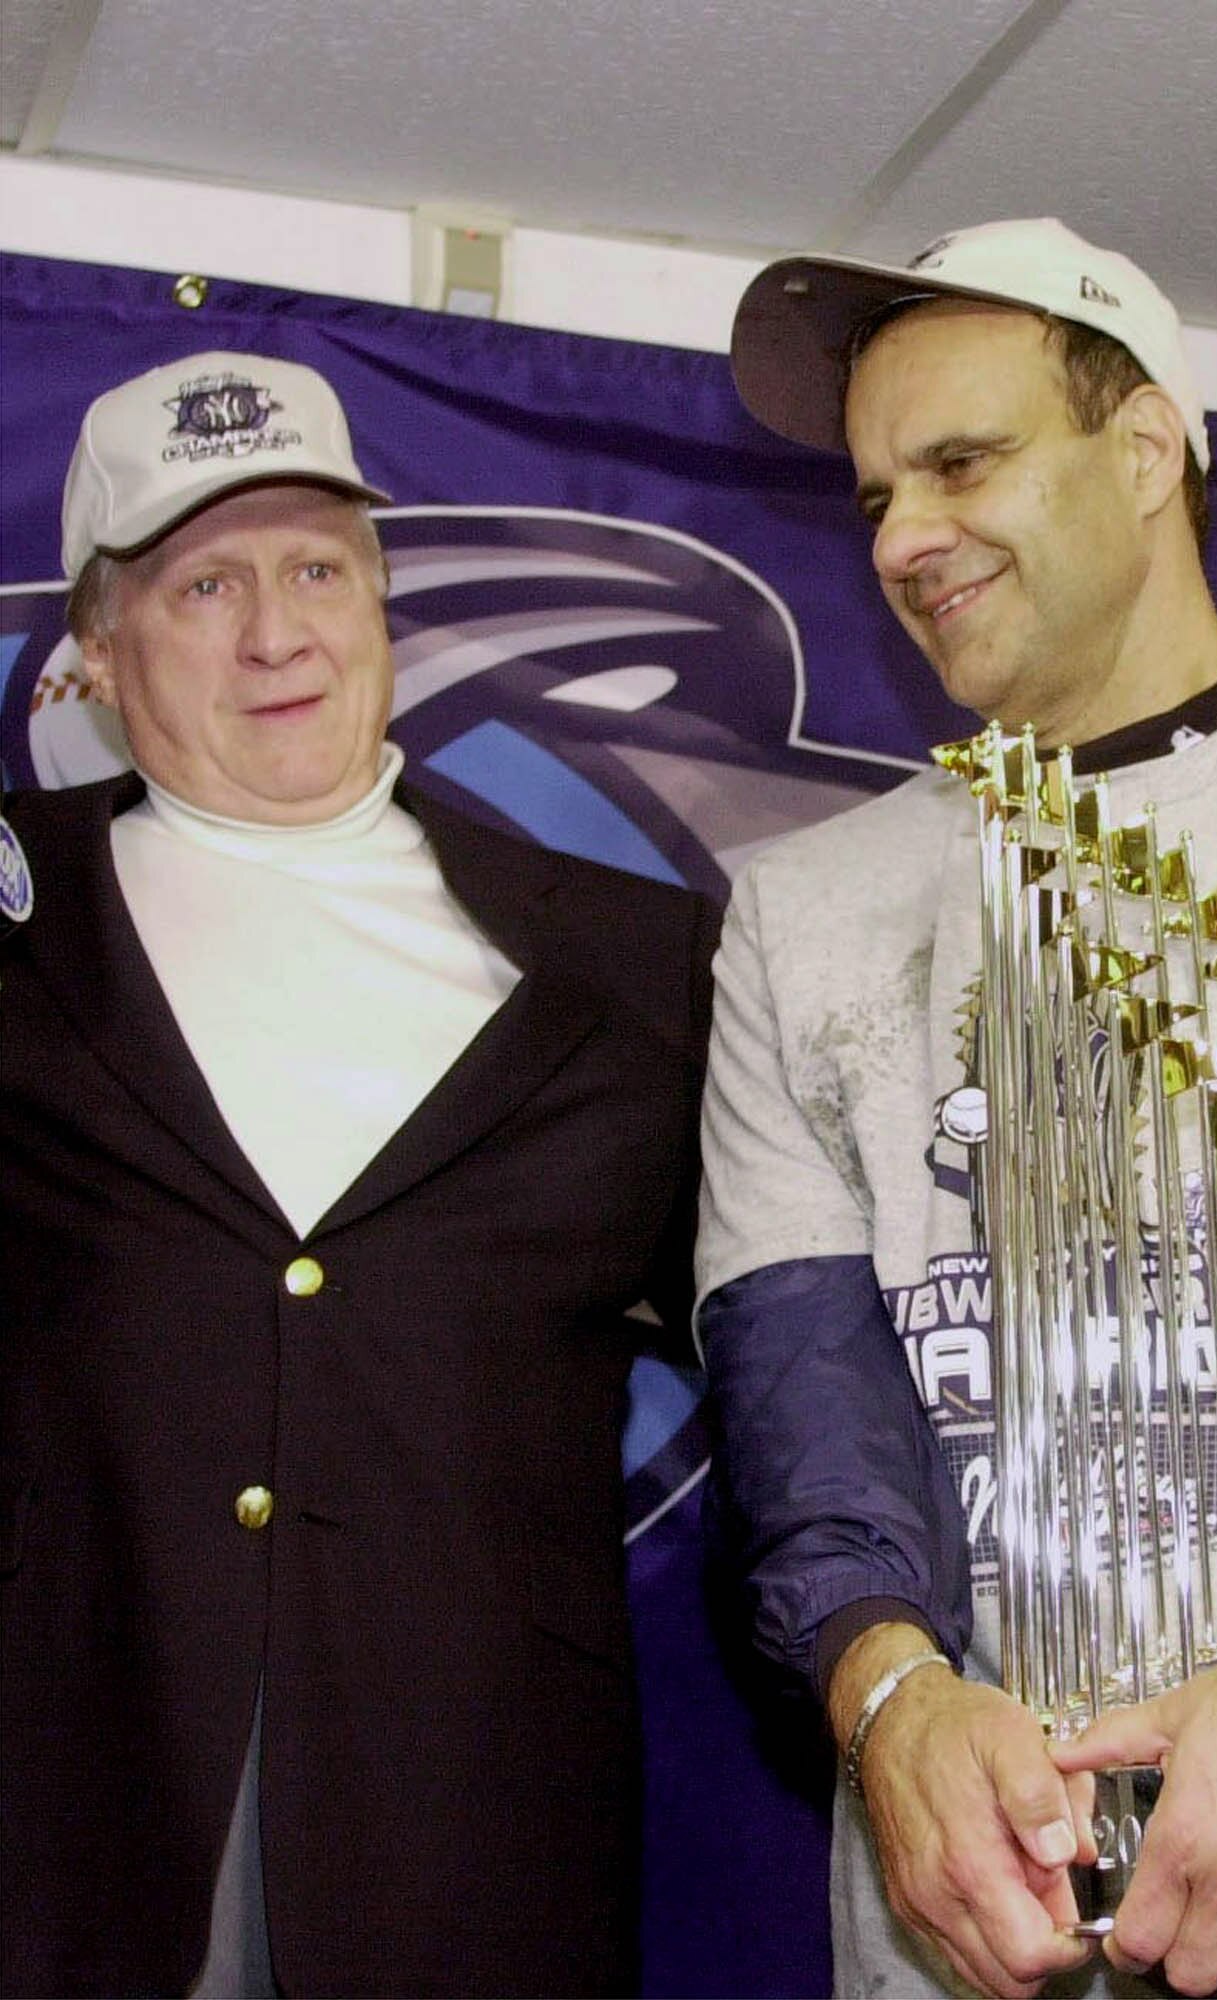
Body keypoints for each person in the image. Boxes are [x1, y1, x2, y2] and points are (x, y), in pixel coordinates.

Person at [696, 219, 1217, 1999]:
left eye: (959, 462)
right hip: (990, 1931)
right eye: (874, 495)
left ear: (1142, 453)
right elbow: (798, 1384)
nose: (903, 537)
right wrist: (887, 1690)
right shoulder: (802, 909)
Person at [0, 352, 717, 1998]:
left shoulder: (642, 963)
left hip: (470, 1827)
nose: (277, 632)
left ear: (385, 603)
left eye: (319, 568)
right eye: (205, 584)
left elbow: (793, 1350)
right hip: (64, 1821)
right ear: (98, 653)